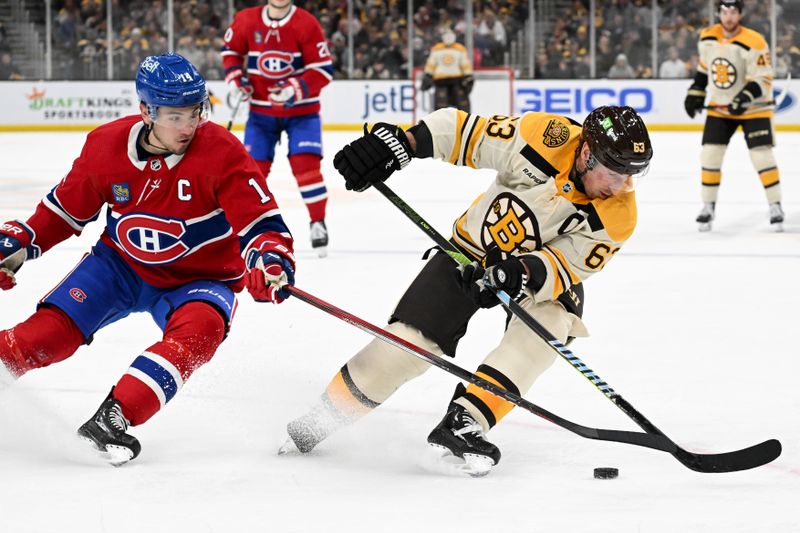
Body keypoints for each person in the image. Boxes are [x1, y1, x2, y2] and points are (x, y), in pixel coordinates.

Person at [280, 105, 653, 476]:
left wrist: (521, 271)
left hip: (532, 276)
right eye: (615, 173)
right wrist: (403, 143)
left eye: (631, 175)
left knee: (552, 326)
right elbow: (466, 134)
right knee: (405, 347)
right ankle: (321, 420)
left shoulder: (620, 215)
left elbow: (567, 264)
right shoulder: (545, 135)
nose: (621, 185)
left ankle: (465, 421)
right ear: (587, 154)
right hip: (469, 252)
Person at [0, 53, 295, 465]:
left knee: (202, 330)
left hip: (202, 277)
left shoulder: (223, 152)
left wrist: (270, 260)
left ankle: (113, 417)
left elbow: (261, 224)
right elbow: (64, 212)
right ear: (146, 110)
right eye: (175, 116)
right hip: (120, 265)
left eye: (196, 111)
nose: (189, 125)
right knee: (47, 338)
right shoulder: (105, 146)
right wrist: (24, 241)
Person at [221, 0, 334, 257]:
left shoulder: (306, 23)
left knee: (306, 167)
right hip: (261, 114)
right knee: (252, 173)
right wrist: (237, 81)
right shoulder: (247, 20)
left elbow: (323, 70)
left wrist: (294, 87)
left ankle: (318, 222)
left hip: (302, 113)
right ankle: (245, 229)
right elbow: (230, 52)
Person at [684, 0, 784, 232]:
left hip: (754, 109)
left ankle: (775, 205)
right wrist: (695, 93)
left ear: (740, 14)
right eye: (725, 11)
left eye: (733, 12)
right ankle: (708, 206)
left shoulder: (754, 40)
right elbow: (704, 69)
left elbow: (763, 78)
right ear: (719, 13)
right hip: (720, 108)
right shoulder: (707, 37)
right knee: (710, 156)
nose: (728, 17)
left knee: (762, 157)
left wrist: (744, 97)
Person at [420, 29, 474, 112]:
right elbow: (431, 64)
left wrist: (468, 76)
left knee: (463, 106)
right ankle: (441, 124)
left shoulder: (460, 48)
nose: (448, 38)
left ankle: (464, 123)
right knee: (440, 108)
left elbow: (465, 64)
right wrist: (428, 75)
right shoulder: (436, 48)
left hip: (457, 82)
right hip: (441, 82)